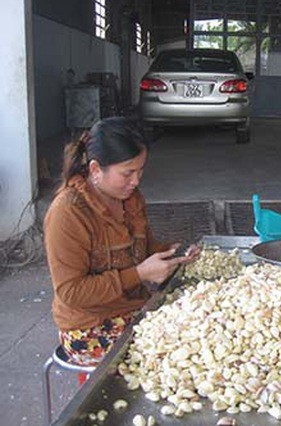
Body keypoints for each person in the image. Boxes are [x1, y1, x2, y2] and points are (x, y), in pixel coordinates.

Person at [44, 117, 199, 366]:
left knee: (201, 325)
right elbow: (71, 293)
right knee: (180, 355)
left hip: (135, 309)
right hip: (88, 328)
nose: (136, 181)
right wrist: (138, 274)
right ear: (95, 170)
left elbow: (145, 251)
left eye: (140, 171)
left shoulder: (131, 199)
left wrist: (174, 254)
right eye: (127, 173)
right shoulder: (68, 213)